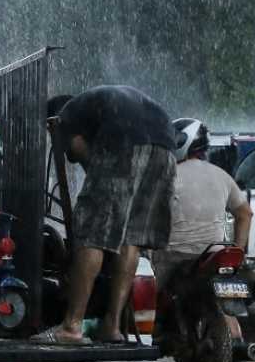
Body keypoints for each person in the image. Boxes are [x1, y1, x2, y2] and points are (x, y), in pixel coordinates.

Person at [35, 85, 177, 344]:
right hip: (166, 146)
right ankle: (112, 325)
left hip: (125, 142)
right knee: (131, 237)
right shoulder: (97, 105)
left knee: (92, 233)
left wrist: (98, 190)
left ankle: (71, 327)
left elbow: (79, 150)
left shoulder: (64, 115)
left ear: (51, 121)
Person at [153, 118, 254, 362]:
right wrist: (239, 249)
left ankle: (145, 343)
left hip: (173, 256)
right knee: (225, 303)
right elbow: (245, 213)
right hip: (215, 255)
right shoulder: (222, 175)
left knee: (146, 300)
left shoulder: (167, 175)